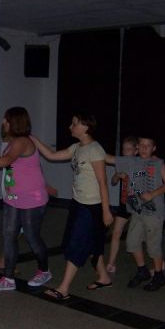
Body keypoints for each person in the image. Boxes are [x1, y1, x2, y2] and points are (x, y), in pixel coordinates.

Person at [30, 113, 114, 300]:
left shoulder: (94, 149)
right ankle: (104, 277)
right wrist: (32, 138)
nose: (70, 126)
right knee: (92, 242)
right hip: (78, 203)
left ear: (85, 127)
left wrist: (106, 210)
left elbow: (102, 182)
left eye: (74, 123)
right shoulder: (77, 148)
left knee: (77, 243)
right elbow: (52, 155)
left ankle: (64, 288)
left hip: (92, 207)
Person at [0, 107, 52, 291]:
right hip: (13, 197)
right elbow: (16, 168)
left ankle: (44, 270)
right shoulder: (12, 142)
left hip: (32, 198)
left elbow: (6, 161)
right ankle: (8, 279)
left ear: (14, 122)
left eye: (6, 120)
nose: (3, 122)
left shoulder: (23, 141)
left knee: (32, 236)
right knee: (9, 235)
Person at [105, 135, 165, 290]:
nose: (144, 148)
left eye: (147, 145)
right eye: (141, 145)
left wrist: (152, 194)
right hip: (137, 211)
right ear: (137, 148)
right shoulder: (131, 162)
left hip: (154, 213)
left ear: (154, 148)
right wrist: (90, 146)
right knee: (132, 243)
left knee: (153, 247)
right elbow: (108, 159)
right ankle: (142, 271)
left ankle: (159, 276)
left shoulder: (158, 163)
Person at [106, 136, 138, 273]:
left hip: (138, 206)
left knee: (145, 237)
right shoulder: (121, 163)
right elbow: (113, 182)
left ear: (136, 151)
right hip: (124, 204)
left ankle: (160, 263)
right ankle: (111, 263)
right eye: (124, 149)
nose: (126, 152)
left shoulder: (140, 163)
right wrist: (117, 176)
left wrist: (128, 178)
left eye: (129, 149)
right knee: (116, 233)